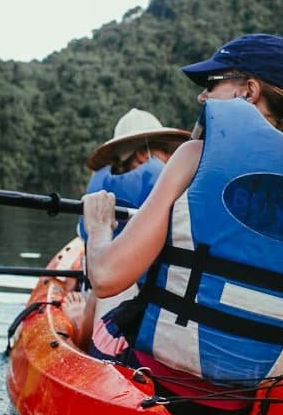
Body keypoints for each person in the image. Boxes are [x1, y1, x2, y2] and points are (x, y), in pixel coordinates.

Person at [82, 33, 283, 415]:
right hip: (243, 403)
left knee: (117, 285)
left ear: (249, 90)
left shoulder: (194, 156)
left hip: (156, 385)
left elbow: (107, 278)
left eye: (212, 85)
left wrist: (98, 230)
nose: (202, 97)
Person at [64, 109, 189, 356]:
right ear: (144, 156)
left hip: (132, 303)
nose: (170, 161)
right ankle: (83, 321)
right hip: (137, 303)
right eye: (167, 153)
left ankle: (81, 321)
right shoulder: (178, 196)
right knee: (114, 284)